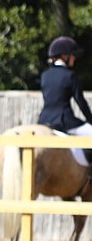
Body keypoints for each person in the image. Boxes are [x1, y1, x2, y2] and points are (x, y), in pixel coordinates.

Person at [38, 35, 92, 165]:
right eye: (72, 55)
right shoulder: (70, 76)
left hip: (44, 120)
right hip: (64, 120)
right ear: (64, 56)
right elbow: (81, 102)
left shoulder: (44, 76)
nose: (74, 58)